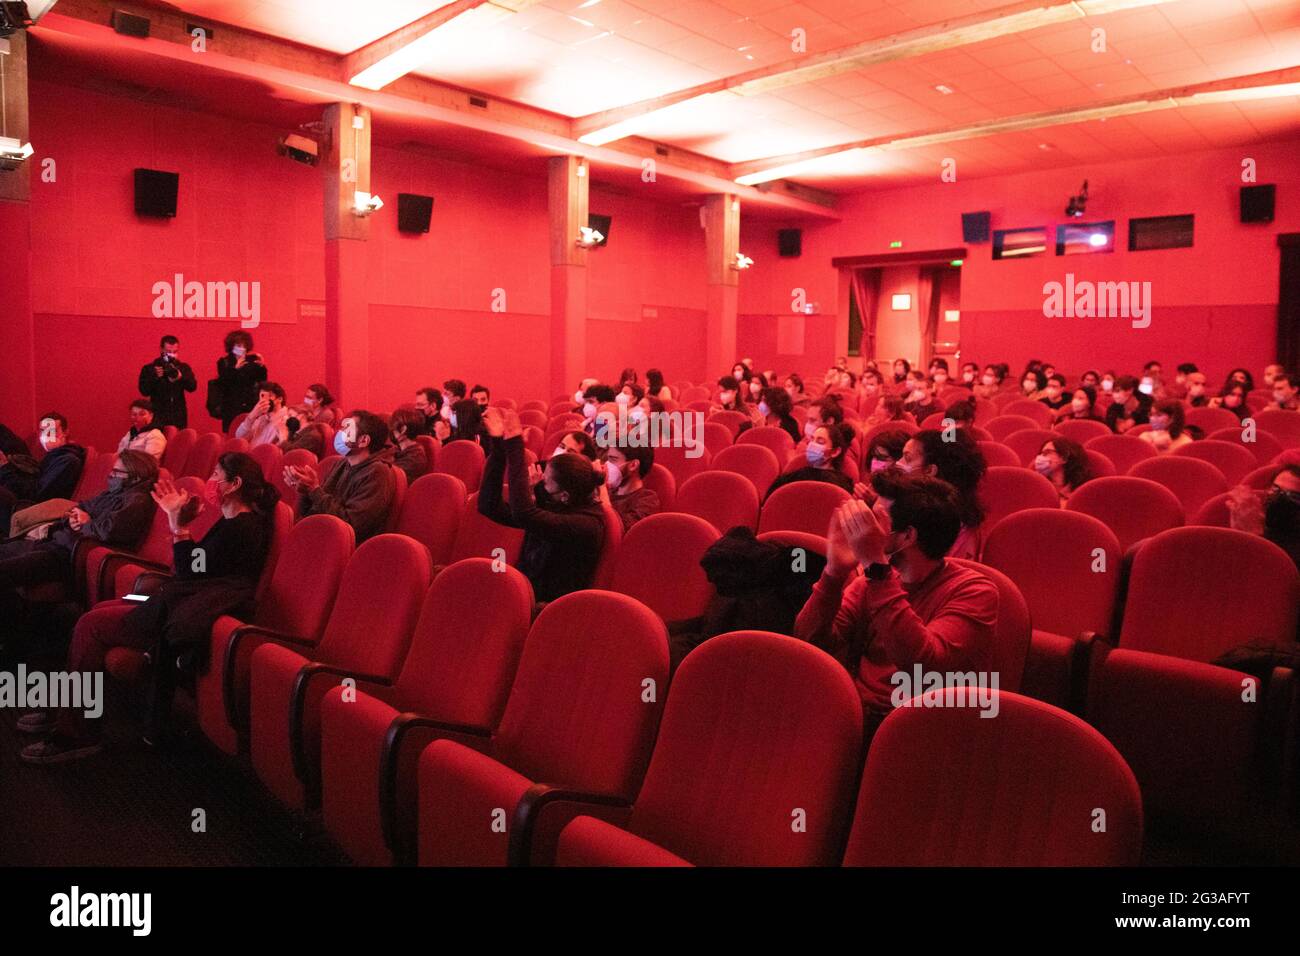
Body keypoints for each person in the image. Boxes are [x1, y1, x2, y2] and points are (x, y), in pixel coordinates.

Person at [18, 453, 280, 763]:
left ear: (235, 484)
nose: (211, 481)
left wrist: (177, 525)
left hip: (184, 614)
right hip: (177, 602)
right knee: (98, 614)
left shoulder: (243, 528)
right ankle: (67, 710)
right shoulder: (234, 522)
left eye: (216, 474)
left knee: (92, 625)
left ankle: (76, 733)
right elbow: (199, 570)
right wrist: (182, 525)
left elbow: (189, 572)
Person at [793, 474, 999, 727]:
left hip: (926, 726)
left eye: (876, 518)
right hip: (857, 712)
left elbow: (924, 665)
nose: (864, 528)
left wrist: (876, 568)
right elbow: (809, 640)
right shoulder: (869, 582)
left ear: (907, 536)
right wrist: (833, 574)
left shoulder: (976, 591)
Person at [0, 451, 158, 631]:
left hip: (70, 556)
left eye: (116, 472)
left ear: (135, 477)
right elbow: (83, 506)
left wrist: (86, 522)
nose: (110, 475)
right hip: (58, 542)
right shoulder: (116, 492)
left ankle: (13, 633)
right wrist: (75, 516)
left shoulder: (136, 500)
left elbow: (108, 531)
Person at [478, 407, 605, 603]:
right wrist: (498, 448)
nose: (540, 484)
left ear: (564, 495)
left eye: (546, 483)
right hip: (522, 592)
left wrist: (515, 445)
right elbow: (489, 506)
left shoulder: (585, 524)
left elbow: (524, 514)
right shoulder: (556, 501)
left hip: (547, 609)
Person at [286, 411, 394, 543]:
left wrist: (314, 490)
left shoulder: (378, 472)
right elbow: (315, 509)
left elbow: (349, 524)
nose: (340, 433)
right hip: (319, 534)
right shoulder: (342, 462)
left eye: (347, 429)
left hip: (340, 543)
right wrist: (305, 490)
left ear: (363, 441)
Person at [895, 429, 986, 560]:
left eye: (907, 459)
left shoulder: (960, 528)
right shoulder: (911, 503)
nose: (898, 463)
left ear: (930, 470)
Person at [0, 413, 87, 533]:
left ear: (66, 432)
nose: (47, 436)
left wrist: (5, 468)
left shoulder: (67, 460)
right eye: (43, 431)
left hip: (30, 506)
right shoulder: (53, 456)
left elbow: (37, 496)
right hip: (21, 494)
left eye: (52, 431)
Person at [1228, 464, 1300, 571]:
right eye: (1276, 489)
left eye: (1293, 496)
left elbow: (1276, 578)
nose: (1279, 498)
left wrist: (1254, 536)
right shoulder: (1251, 517)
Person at [766, 423, 855, 501]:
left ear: (835, 452)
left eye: (820, 442)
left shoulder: (840, 486)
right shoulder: (798, 474)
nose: (812, 445)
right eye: (812, 440)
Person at [599, 438, 659, 532]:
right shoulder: (608, 491)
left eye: (613, 460)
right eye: (607, 459)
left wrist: (601, 484)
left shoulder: (647, 500)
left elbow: (616, 531)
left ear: (633, 465)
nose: (607, 465)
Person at [137, 335, 197, 428]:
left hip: (178, 416)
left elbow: (192, 387)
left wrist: (180, 377)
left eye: (175, 352)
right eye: (168, 352)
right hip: (158, 415)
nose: (172, 355)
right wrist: (155, 377)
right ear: (161, 350)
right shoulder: (150, 368)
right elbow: (144, 391)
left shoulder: (183, 368)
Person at [214, 330, 268, 432]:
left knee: (250, 433)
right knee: (231, 433)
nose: (242, 348)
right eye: (239, 345)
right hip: (231, 406)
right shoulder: (224, 362)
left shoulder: (252, 361)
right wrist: (235, 369)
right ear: (232, 346)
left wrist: (262, 367)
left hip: (249, 405)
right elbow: (224, 384)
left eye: (244, 346)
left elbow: (262, 382)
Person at [1033, 437, 1090, 503]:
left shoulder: (1084, 492)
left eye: (1047, 453)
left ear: (1064, 458)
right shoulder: (1035, 487)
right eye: (1040, 454)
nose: (1040, 458)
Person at [235, 382, 290, 448]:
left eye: (269, 396)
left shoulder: (286, 420)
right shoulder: (262, 418)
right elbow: (239, 437)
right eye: (262, 396)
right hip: (249, 454)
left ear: (279, 399)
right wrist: (251, 416)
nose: (264, 400)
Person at [387, 407, 430, 484]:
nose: (390, 430)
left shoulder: (414, 457)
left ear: (403, 429)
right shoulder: (398, 449)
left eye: (392, 426)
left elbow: (385, 476)